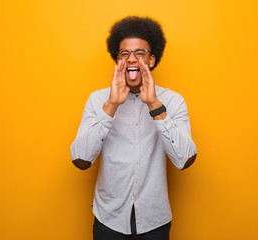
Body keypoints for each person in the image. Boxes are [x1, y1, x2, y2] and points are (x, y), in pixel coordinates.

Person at [70, 16, 197, 240]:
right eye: (124, 53)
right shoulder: (97, 100)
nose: (132, 59)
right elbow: (80, 159)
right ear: (117, 59)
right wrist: (110, 106)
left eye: (140, 53)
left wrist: (155, 105)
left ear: (152, 60)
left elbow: (184, 159)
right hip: (108, 221)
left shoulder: (173, 101)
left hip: (154, 222)